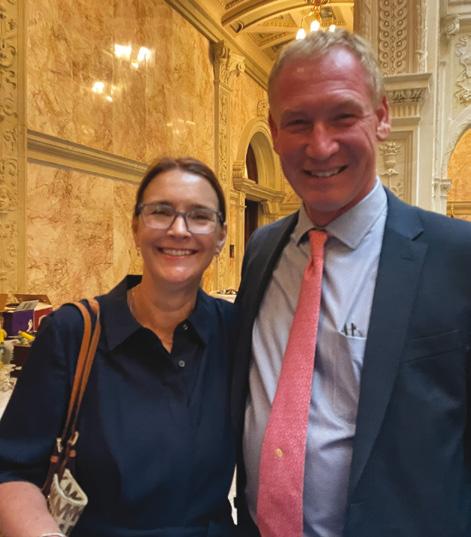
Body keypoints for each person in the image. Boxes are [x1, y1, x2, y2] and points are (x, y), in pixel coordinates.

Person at [232, 29, 471, 537]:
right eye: (298, 122)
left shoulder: (458, 257)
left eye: (343, 116)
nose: (320, 146)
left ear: (381, 116)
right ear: (274, 131)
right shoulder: (262, 251)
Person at [0, 157, 236, 537]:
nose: (179, 230)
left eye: (199, 216)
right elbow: (12, 471)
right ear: (135, 226)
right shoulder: (73, 333)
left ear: (221, 236)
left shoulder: (235, 331)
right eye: (161, 212)